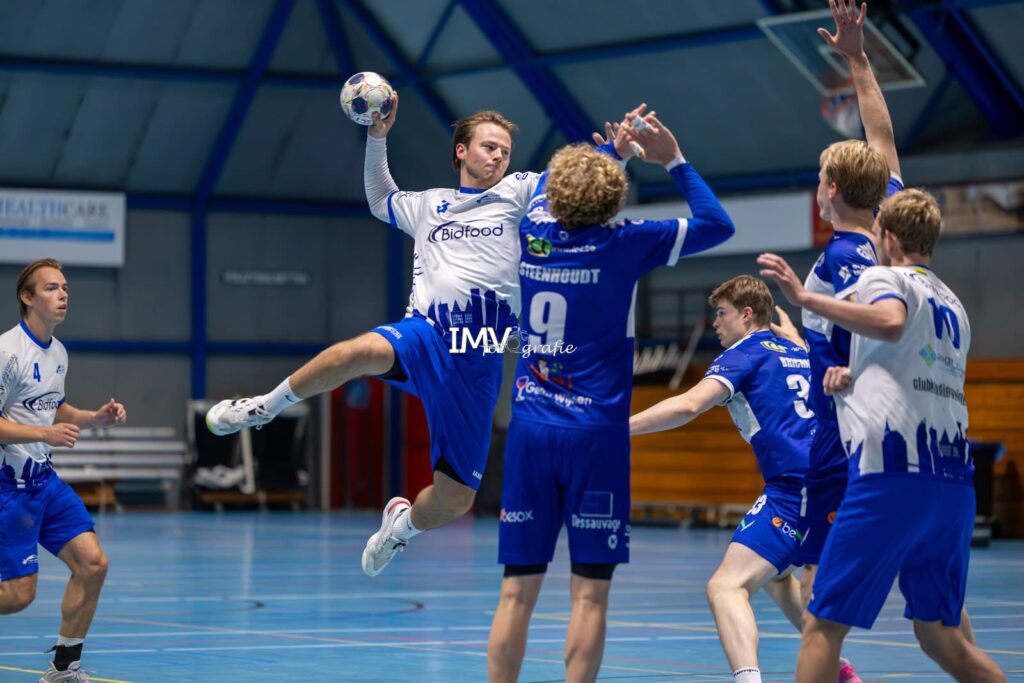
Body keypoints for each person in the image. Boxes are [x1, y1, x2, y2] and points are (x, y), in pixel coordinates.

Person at [205, 94, 575, 577]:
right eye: (489, 147)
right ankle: (263, 408)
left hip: (479, 354)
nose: (499, 157)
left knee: (454, 500)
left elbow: (570, 178)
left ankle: (400, 528)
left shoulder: (519, 191)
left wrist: (617, 151)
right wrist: (377, 138)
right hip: (426, 333)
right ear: (461, 151)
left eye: (505, 151)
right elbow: (381, 199)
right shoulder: (429, 205)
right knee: (357, 351)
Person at [487, 113, 735, 682]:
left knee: (515, 593)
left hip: (530, 429)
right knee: (590, 595)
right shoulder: (626, 243)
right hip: (596, 436)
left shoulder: (532, 228)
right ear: (613, 200)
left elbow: (556, 188)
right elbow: (717, 224)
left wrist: (611, 153)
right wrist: (673, 159)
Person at [758, 190, 1006, 682]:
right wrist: (853, 377)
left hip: (893, 476)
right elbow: (912, 368)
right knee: (941, 637)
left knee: (822, 626)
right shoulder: (952, 304)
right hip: (954, 484)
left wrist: (806, 300)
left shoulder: (881, 278)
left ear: (887, 238)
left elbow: (891, 323)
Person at [629, 276, 810, 683]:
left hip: (794, 485)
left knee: (725, 587)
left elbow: (690, 404)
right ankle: (840, 670)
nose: (715, 323)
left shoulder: (743, 355)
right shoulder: (797, 352)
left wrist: (620, 429)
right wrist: (797, 338)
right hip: (830, 478)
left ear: (746, 315)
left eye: (721, 313)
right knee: (777, 576)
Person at [796, 0, 903, 627]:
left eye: (819, 177)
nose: (817, 185)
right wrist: (859, 60)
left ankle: (826, 666)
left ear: (832, 191)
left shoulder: (846, 256)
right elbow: (881, 139)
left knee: (817, 580)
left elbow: (884, 319)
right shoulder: (888, 218)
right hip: (882, 423)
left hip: (841, 429)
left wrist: (849, 370)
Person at [0, 258, 128, 683]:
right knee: (17, 596)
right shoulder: (6, 352)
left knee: (93, 564)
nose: (63, 295)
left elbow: (54, 407)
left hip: (45, 482)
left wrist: (95, 419)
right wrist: (44, 433)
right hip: (8, 487)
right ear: (27, 297)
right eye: (52, 288)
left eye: (65, 288)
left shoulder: (57, 352)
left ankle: (63, 669)